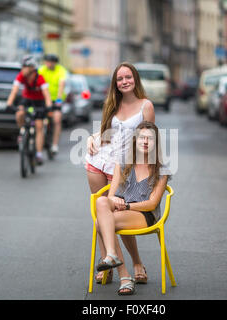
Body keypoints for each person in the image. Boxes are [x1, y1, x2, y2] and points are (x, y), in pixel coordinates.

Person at [85, 62, 156, 286]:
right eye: (119, 79)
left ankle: (136, 263)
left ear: (135, 79)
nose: (124, 82)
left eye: (128, 77)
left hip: (123, 168)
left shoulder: (146, 105)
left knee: (118, 214)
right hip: (99, 162)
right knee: (101, 213)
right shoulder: (112, 103)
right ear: (115, 84)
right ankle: (107, 264)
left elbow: (149, 138)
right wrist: (91, 137)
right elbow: (107, 131)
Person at [95, 121, 170, 295]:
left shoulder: (161, 170)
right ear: (135, 140)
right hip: (123, 211)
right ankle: (116, 261)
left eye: (150, 139)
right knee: (101, 202)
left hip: (145, 215)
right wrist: (116, 201)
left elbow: (152, 203)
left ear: (156, 143)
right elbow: (111, 196)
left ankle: (124, 275)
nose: (145, 141)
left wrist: (127, 205)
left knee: (102, 223)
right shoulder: (123, 163)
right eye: (142, 137)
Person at [6, 55, 53, 165]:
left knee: (39, 126)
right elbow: (14, 91)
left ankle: (39, 155)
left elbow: (47, 95)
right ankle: (22, 132)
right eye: (22, 66)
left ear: (32, 68)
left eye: (25, 67)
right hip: (27, 99)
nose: (23, 69)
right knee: (19, 114)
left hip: (39, 102)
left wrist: (49, 105)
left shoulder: (40, 78)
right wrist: (9, 103)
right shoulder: (21, 76)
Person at [38, 54, 68, 155]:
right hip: (43, 99)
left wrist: (59, 100)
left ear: (55, 63)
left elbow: (61, 84)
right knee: (40, 121)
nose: (49, 64)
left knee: (57, 119)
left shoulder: (61, 70)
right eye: (47, 62)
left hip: (56, 99)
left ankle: (55, 145)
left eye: (51, 62)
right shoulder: (41, 70)